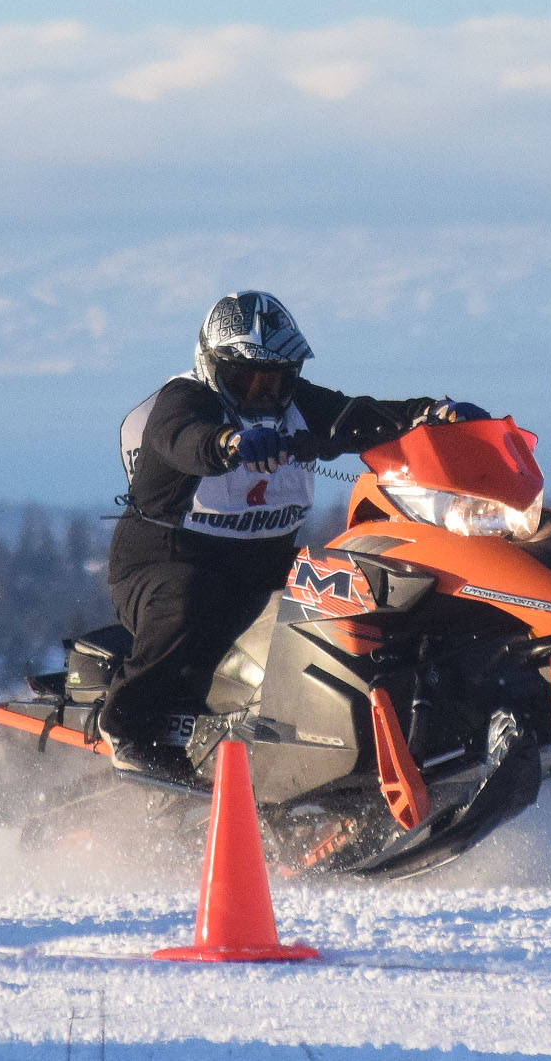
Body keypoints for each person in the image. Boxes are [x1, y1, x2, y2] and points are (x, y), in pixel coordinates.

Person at [99, 291, 488, 780]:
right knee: (187, 601)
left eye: (276, 378)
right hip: (167, 563)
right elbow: (184, 439)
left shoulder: (296, 407)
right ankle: (127, 724)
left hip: (262, 564)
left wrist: (429, 414)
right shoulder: (185, 400)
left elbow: (359, 416)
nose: (263, 392)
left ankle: (361, 731)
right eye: (246, 378)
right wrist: (229, 442)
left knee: (358, 589)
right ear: (213, 366)